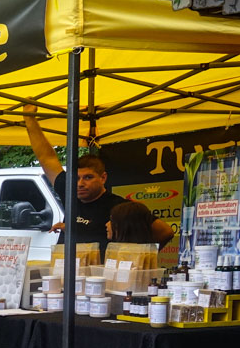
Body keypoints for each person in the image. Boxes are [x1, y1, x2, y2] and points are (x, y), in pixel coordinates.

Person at [23, 105, 173, 257]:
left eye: (88, 177)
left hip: (98, 271)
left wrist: (141, 257)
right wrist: (29, 119)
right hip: (65, 269)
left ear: (103, 178)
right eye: (76, 178)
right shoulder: (69, 191)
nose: (80, 183)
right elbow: (46, 157)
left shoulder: (119, 207)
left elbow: (165, 232)